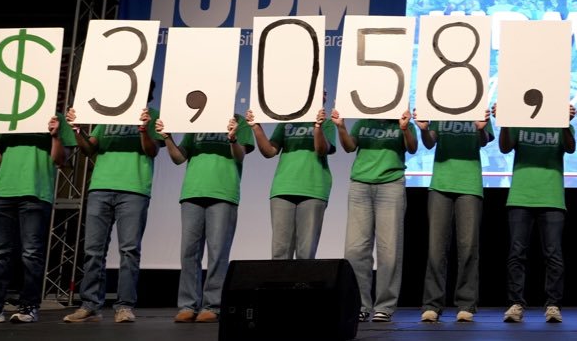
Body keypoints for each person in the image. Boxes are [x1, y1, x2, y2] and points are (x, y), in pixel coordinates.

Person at [0, 114, 73, 324]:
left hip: (35, 192)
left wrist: (55, 135)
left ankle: (29, 306)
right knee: (0, 254)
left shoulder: (56, 119)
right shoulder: (11, 111)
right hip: (3, 190)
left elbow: (60, 160)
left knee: (31, 254)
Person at [63, 103, 163, 324]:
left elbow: (152, 151)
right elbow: (89, 149)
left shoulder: (152, 115)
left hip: (134, 189)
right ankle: (90, 306)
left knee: (129, 251)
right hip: (100, 187)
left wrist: (144, 128)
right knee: (93, 250)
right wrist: (77, 130)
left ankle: (124, 306)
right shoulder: (110, 112)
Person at [159, 115, 253, 323]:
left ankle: (213, 305)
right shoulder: (198, 120)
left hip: (223, 193)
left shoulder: (239, 121)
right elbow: (179, 158)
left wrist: (232, 138)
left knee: (218, 253)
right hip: (192, 193)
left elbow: (240, 156)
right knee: (189, 252)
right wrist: (167, 138)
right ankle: (188, 305)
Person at [333, 109, 419, 323]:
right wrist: (341, 127)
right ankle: (360, 305)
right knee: (355, 249)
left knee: (389, 249)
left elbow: (412, 148)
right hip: (360, 185)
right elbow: (349, 146)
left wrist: (405, 128)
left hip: (391, 184)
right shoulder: (363, 121)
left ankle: (385, 306)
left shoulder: (402, 122)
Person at [499, 105, 577, 323]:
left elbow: (571, 148)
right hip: (520, 196)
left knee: (554, 254)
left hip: (552, 197)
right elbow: (505, 147)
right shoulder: (519, 119)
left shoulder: (560, 120)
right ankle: (515, 304)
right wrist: (504, 121)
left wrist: (564, 123)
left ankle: (553, 305)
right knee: (516, 253)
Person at [418, 113, 494, 323]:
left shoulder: (479, 108)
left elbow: (483, 142)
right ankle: (432, 304)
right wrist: (424, 130)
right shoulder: (440, 108)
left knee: (468, 248)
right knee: (436, 249)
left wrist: (480, 128)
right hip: (440, 185)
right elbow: (429, 143)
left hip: (469, 185)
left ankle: (466, 304)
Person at [247, 99, 339, 260]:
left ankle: (303, 278)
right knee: (280, 252)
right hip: (283, 188)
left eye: (323, 91)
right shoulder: (287, 121)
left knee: (306, 253)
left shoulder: (328, 123)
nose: (323, 94)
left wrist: (317, 126)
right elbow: (269, 151)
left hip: (313, 189)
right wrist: (256, 127)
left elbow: (322, 150)